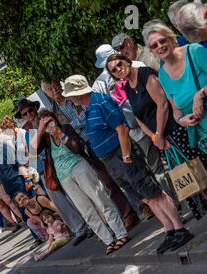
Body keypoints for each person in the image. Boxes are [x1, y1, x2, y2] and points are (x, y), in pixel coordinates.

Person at [61, 74, 194, 254]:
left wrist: (126, 156)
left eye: (69, 95)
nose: (68, 98)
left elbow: (122, 128)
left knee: (153, 192)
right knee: (145, 196)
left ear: (77, 94)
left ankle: (179, 228)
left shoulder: (100, 102)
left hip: (120, 155)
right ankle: (170, 229)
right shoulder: (91, 106)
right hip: (112, 160)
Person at [106, 53, 207, 217]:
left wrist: (159, 134)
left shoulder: (145, 74)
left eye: (119, 64)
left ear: (127, 61)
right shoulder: (126, 88)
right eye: (114, 70)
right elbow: (138, 118)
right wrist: (154, 138)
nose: (119, 69)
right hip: (160, 139)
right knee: (186, 177)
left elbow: (162, 105)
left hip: (174, 130)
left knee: (197, 171)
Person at [41, 79, 143, 229]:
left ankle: (144, 204)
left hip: (99, 139)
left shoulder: (75, 98)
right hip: (84, 149)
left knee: (126, 173)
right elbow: (66, 128)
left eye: (55, 85)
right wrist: (73, 125)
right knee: (109, 182)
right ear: (47, 94)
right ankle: (129, 214)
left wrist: (71, 126)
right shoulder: (54, 111)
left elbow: (86, 116)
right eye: (49, 89)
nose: (54, 89)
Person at [36, 109, 130, 255]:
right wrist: (41, 129)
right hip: (64, 177)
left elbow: (76, 148)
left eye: (49, 119)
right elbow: (32, 151)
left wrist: (59, 134)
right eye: (43, 121)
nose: (48, 123)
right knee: (86, 211)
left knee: (101, 199)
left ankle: (121, 234)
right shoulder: (45, 140)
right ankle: (108, 240)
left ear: (54, 118)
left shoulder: (66, 128)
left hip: (80, 167)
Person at [13, 95, 94, 244]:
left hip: (60, 161)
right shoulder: (28, 131)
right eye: (24, 114)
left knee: (74, 195)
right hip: (44, 168)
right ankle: (78, 228)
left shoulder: (46, 119)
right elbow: (31, 151)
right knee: (60, 202)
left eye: (30, 110)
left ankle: (90, 224)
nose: (29, 115)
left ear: (35, 108)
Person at [144, 19, 207, 155]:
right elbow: (176, 109)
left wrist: (200, 94)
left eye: (162, 40)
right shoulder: (162, 75)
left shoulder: (194, 52)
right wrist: (181, 120)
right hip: (203, 136)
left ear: (172, 39)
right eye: (154, 46)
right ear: (153, 52)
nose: (160, 46)